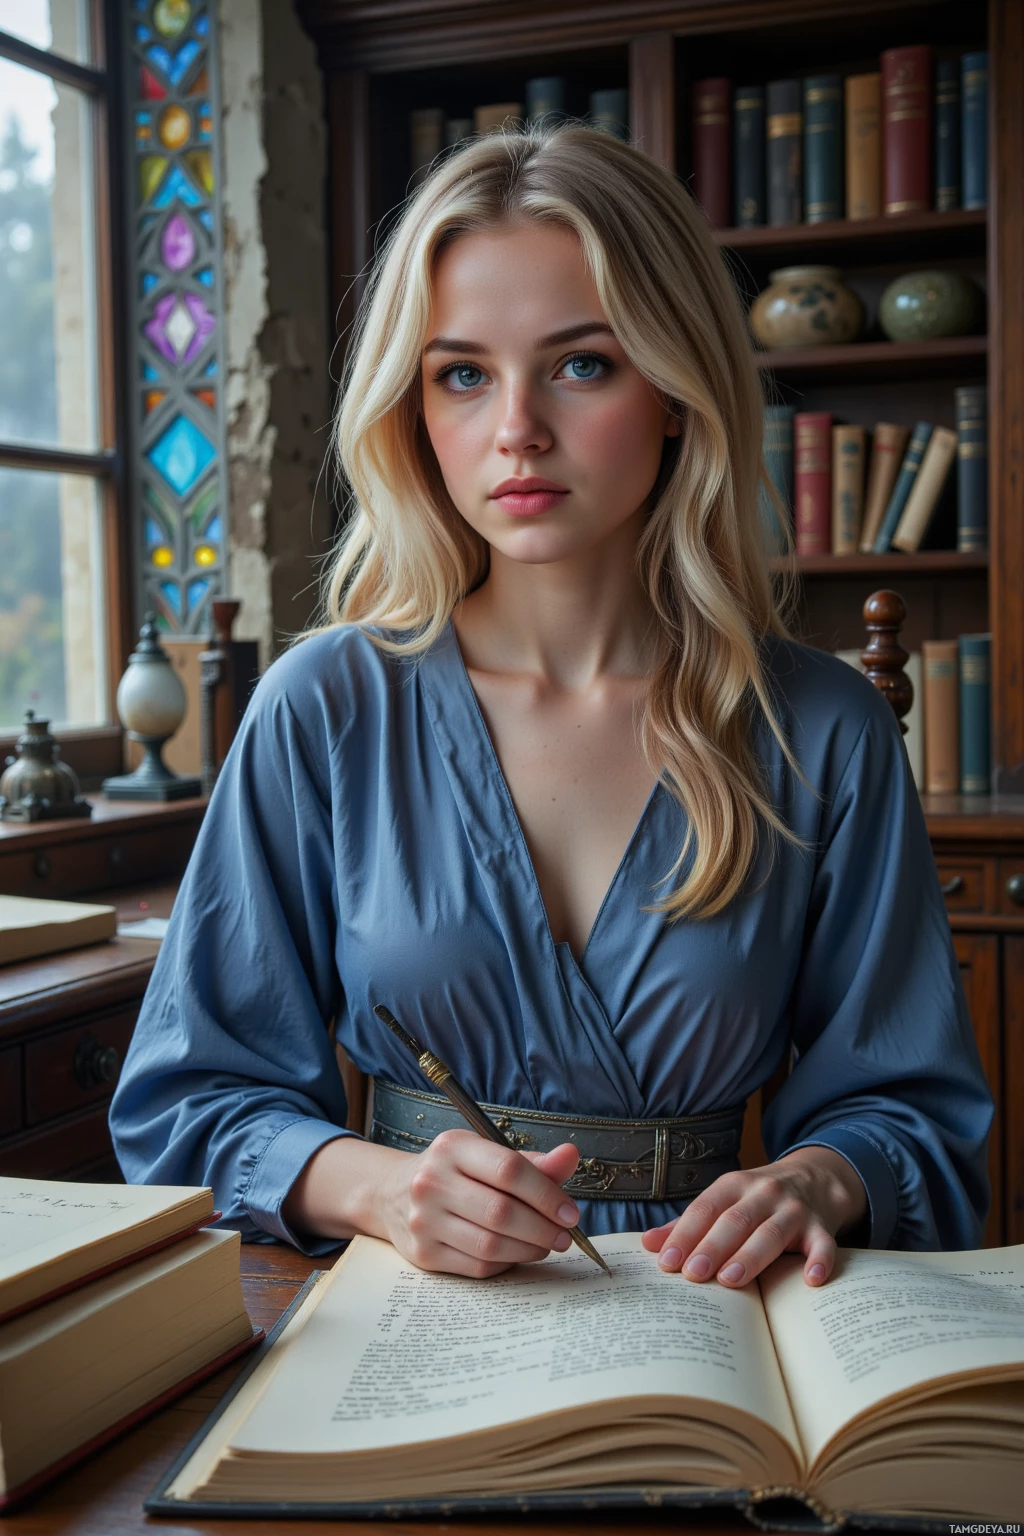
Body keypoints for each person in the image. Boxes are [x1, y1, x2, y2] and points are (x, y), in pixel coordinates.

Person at [109, 123, 992, 1294]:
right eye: (462, 373)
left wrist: (819, 1178)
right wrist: (378, 1187)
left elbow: (912, 1108)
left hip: (719, 1314)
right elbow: (191, 1102)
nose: (515, 427)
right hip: (403, 1310)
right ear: (411, 410)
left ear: (677, 392)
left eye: (582, 363)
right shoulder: (322, 709)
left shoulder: (818, 727)